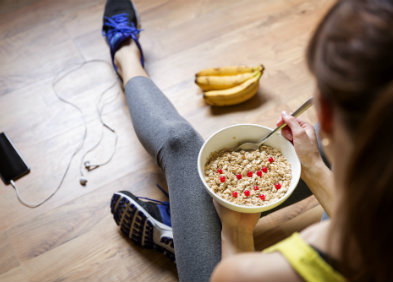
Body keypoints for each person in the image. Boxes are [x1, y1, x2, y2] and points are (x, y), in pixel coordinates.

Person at [103, 0, 393, 281]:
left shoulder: (256, 274)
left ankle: (125, 54)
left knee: (181, 143)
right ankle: (187, 224)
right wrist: (314, 166)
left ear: (325, 114)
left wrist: (235, 229)